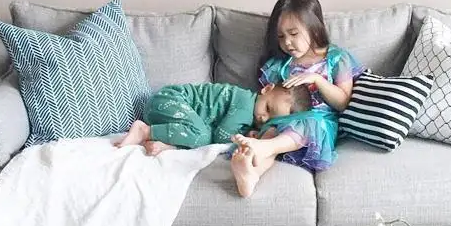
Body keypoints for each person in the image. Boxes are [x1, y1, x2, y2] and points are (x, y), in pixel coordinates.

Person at [230, 0, 364, 198]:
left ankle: (265, 147)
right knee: (270, 132)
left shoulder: (336, 58)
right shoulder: (281, 65)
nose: (287, 43)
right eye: (281, 36)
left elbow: (343, 102)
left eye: (293, 34)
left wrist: (317, 79)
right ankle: (251, 174)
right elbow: (267, 102)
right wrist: (257, 129)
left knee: (303, 125)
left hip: (319, 124)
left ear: (314, 28)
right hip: (282, 123)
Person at [116, 81, 311, 155]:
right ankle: (145, 130)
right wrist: (248, 137)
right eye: (267, 108)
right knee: (203, 136)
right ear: (266, 89)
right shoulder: (245, 103)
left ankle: (165, 142)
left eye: (269, 119)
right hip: (169, 100)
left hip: (168, 115)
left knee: (200, 134)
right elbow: (221, 136)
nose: (262, 117)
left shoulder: (251, 115)